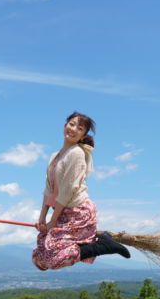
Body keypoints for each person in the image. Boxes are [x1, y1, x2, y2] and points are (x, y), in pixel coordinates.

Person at [32, 112, 131, 271]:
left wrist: (52, 221)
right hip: (62, 211)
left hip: (78, 211)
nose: (73, 129)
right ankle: (96, 241)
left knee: (54, 260)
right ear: (65, 126)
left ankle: (103, 246)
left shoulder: (76, 153)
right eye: (71, 124)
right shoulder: (54, 156)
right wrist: (42, 218)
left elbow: (67, 191)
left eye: (80, 128)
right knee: (39, 259)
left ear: (83, 135)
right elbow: (48, 189)